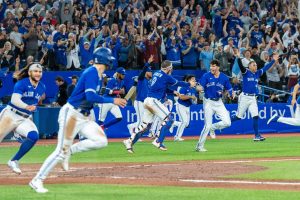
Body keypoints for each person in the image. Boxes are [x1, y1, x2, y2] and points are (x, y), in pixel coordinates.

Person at [29, 47, 127, 193]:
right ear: (104, 59)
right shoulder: (92, 72)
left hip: (84, 116)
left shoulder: (99, 75)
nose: (110, 61)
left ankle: (71, 151)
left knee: (101, 141)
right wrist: (112, 100)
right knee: (60, 151)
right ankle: (37, 180)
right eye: (109, 59)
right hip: (72, 115)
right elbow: (91, 97)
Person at [123, 60, 190, 153]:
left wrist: (172, 92)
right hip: (153, 101)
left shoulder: (157, 73)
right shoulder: (166, 76)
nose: (172, 69)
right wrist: (189, 84)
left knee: (145, 126)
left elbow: (163, 87)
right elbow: (177, 83)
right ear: (169, 68)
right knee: (169, 119)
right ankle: (158, 141)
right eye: (171, 67)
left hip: (147, 101)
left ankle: (129, 141)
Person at [0, 63, 45, 174]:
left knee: (34, 136)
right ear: (29, 72)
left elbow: (33, 102)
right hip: (10, 115)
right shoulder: (22, 83)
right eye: (35, 71)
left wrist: (32, 108)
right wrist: (27, 106)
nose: (38, 73)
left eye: (40, 72)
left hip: (24, 118)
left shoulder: (42, 86)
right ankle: (16, 133)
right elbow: (15, 100)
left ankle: (14, 160)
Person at [231, 51, 279, 141]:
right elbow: (241, 66)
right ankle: (224, 123)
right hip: (244, 97)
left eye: (256, 65)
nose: (255, 66)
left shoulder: (257, 73)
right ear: (249, 66)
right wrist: (238, 57)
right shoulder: (246, 72)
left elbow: (265, 68)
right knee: (238, 117)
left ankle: (257, 135)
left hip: (253, 98)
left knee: (256, 116)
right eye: (253, 65)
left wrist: (273, 61)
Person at [195, 60, 234, 152]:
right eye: (211, 66)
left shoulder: (224, 77)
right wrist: (198, 88)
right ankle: (199, 146)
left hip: (219, 102)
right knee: (207, 126)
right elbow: (199, 87)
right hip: (208, 102)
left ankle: (213, 127)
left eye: (214, 66)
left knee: (227, 123)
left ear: (218, 67)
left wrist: (231, 94)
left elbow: (229, 89)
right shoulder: (206, 75)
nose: (211, 68)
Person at [127, 56, 153, 135]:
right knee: (141, 121)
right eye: (150, 72)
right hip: (139, 102)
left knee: (145, 121)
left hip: (145, 103)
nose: (151, 73)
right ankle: (134, 137)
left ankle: (131, 126)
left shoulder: (149, 82)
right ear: (146, 73)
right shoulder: (141, 79)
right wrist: (148, 63)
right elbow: (143, 71)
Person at [173, 75, 198, 141]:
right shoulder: (183, 87)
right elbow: (181, 97)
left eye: (195, 81)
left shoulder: (193, 89)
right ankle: (177, 137)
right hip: (180, 105)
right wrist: (190, 97)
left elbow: (193, 99)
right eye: (193, 81)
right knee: (183, 122)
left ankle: (172, 123)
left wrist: (194, 99)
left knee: (186, 124)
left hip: (187, 107)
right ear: (188, 81)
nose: (195, 82)